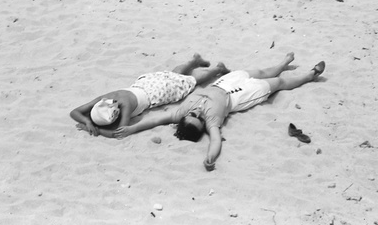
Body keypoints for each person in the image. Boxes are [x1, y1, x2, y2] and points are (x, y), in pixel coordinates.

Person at [113, 53, 325, 171]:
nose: (198, 114)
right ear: (204, 125)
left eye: (193, 116)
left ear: (184, 118)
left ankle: (282, 63)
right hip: (239, 96)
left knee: (260, 72)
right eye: (200, 120)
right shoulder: (212, 121)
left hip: (224, 82)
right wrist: (210, 158)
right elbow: (215, 141)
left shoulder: (179, 113)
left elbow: (154, 121)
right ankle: (309, 76)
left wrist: (131, 129)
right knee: (276, 83)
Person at [70, 53, 229, 138]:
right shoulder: (102, 99)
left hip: (156, 94)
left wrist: (88, 127)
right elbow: (74, 112)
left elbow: (120, 132)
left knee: (188, 82)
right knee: (171, 75)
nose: (115, 111)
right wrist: (85, 119)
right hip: (144, 82)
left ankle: (216, 70)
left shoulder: (124, 105)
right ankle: (193, 63)